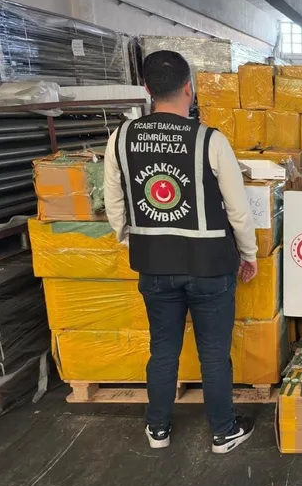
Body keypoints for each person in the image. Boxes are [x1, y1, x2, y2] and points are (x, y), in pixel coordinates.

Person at [104, 51, 259, 453]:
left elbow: (114, 204)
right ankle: (223, 432)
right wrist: (249, 253)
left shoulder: (121, 138)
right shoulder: (210, 140)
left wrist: (133, 239)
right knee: (214, 354)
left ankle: (157, 429)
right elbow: (238, 209)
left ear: (147, 89)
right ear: (189, 88)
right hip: (210, 266)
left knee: (162, 350)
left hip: (154, 264)